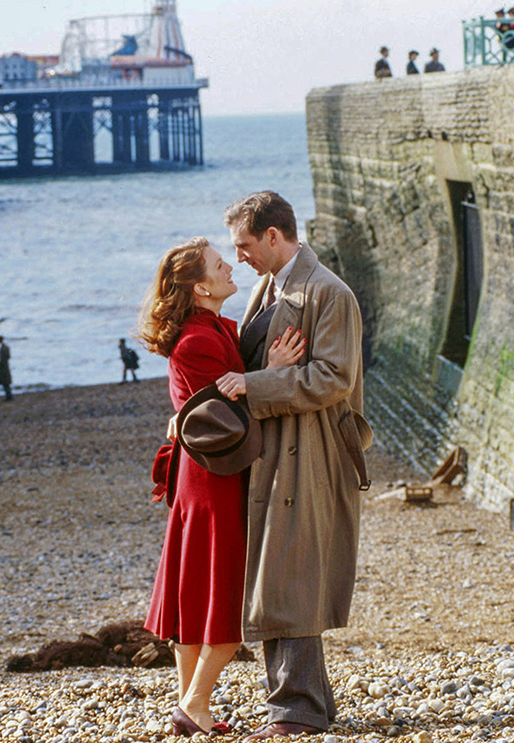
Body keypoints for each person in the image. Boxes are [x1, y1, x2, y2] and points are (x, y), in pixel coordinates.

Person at [215, 192, 371, 739]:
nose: (240, 258)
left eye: (245, 246)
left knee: (290, 579)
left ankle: (294, 713)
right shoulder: (270, 286)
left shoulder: (329, 293)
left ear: (274, 236)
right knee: (278, 575)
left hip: (311, 451)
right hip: (277, 449)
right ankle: (311, 705)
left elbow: (333, 378)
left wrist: (256, 386)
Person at [139, 237, 303, 736]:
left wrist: (190, 409)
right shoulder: (198, 340)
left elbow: (202, 404)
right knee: (224, 602)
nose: (229, 266)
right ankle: (192, 705)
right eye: (218, 264)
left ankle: (196, 710)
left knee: (194, 598)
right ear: (199, 287)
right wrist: (270, 375)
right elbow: (227, 417)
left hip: (202, 477)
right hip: (214, 482)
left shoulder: (205, 330)